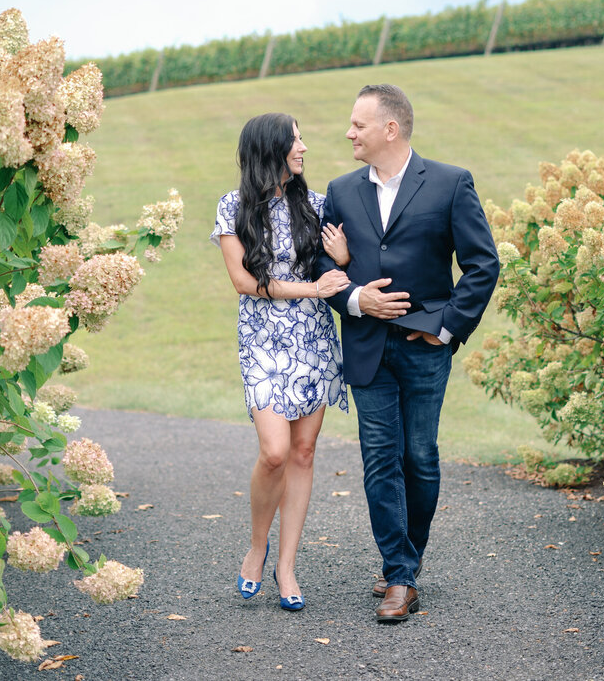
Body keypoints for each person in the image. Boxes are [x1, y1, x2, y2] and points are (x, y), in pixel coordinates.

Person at [316, 84, 500, 623]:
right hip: (367, 348)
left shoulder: (449, 183)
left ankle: (406, 559)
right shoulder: (341, 190)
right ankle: (399, 574)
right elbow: (320, 271)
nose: (349, 133)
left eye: (358, 125)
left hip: (425, 348)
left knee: (419, 458)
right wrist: (355, 295)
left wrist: (445, 327)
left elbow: (483, 264)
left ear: (389, 129)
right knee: (379, 460)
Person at [211, 113, 352, 612]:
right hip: (264, 342)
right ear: (271, 150)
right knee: (274, 451)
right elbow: (244, 283)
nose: (305, 148)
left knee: (304, 452)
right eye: (296, 141)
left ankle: (287, 565)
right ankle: (256, 546)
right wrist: (311, 288)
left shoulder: (316, 206)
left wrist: (344, 258)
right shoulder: (233, 209)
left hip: (314, 337)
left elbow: (336, 272)